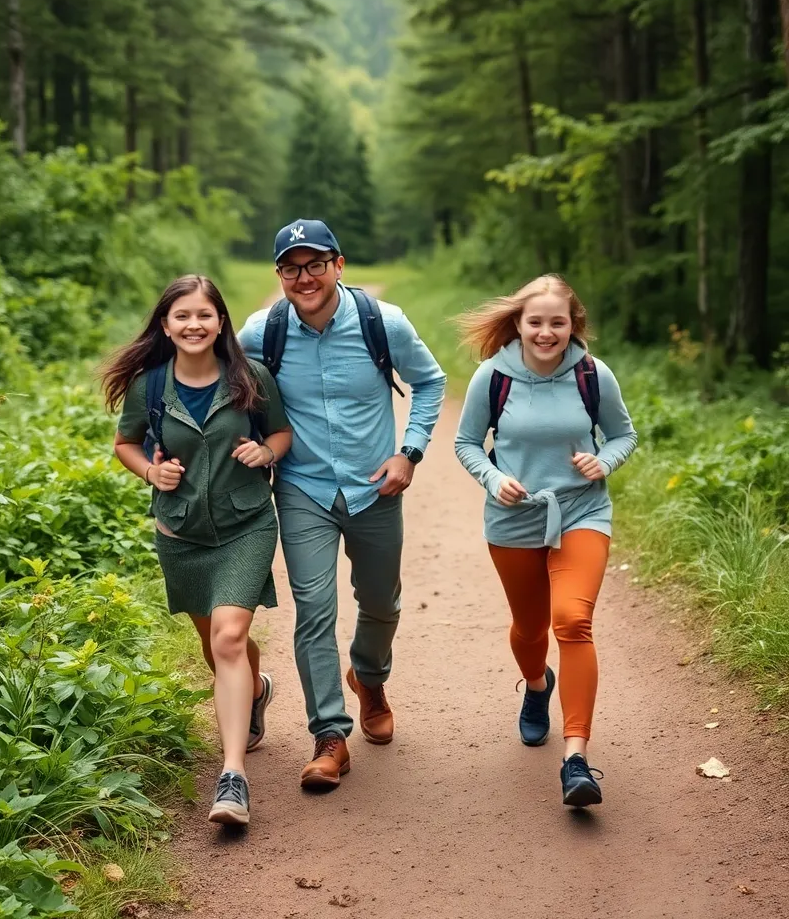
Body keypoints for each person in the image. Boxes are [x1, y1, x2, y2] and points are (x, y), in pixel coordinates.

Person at [238, 219, 446, 789]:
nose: (304, 277)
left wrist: (410, 452)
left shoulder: (384, 323)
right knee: (314, 609)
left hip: (375, 486)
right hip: (303, 486)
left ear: (338, 264)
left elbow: (430, 382)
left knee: (382, 602)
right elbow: (220, 382)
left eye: (315, 264)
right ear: (279, 274)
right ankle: (330, 736)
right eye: (290, 267)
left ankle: (370, 677)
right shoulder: (262, 332)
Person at [102, 275, 292, 828]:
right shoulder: (149, 386)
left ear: (220, 323)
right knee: (217, 648)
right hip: (181, 535)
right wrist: (150, 470)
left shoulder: (250, 378)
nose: (193, 325)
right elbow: (125, 442)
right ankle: (254, 691)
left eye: (204, 315)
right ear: (166, 325)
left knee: (229, 636)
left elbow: (281, 434)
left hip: (246, 525)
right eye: (182, 316)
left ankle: (232, 777)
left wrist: (264, 450)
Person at [453, 274, 637, 807]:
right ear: (519, 324)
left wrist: (602, 462)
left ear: (572, 325)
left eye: (558, 322)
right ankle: (537, 685)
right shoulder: (493, 377)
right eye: (536, 322)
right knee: (530, 629)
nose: (546, 332)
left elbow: (624, 433)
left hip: (582, 510)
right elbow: (466, 443)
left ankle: (576, 759)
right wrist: (492, 478)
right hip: (514, 520)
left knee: (573, 621)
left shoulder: (592, 375)